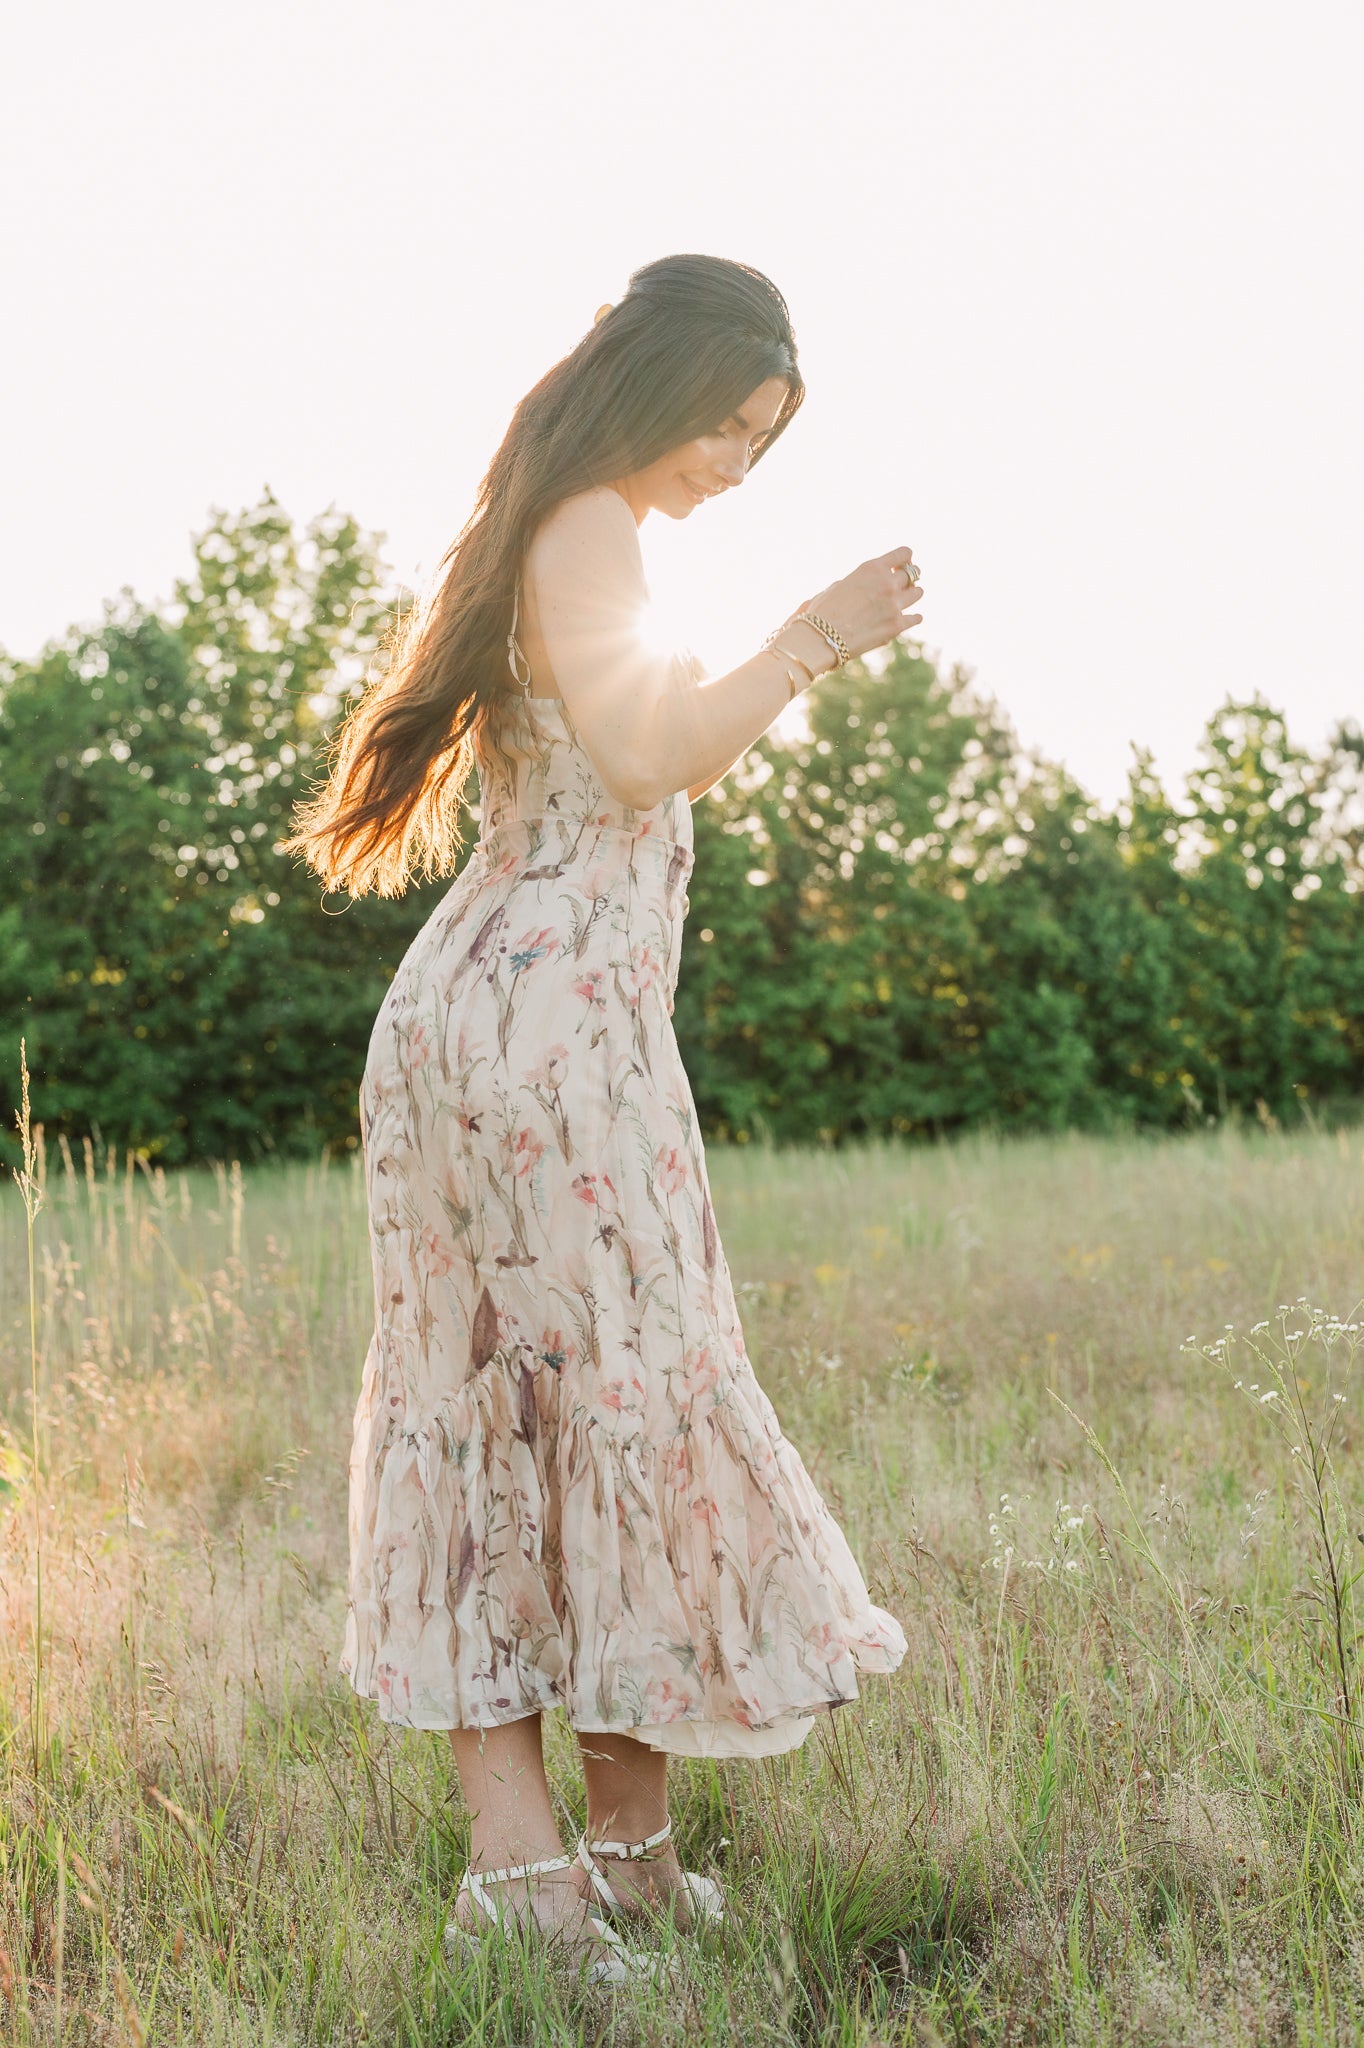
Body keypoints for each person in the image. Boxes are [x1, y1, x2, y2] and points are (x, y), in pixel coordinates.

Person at [284, 252, 920, 1981]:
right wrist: (813, 636)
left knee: (562, 1409)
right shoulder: (585, 533)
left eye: (762, 443)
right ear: (655, 387)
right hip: (535, 1039)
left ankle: (624, 1866)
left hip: (530, 1025)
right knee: (541, 1408)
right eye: (726, 424)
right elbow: (642, 757)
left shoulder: (578, 532)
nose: (735, 464)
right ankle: (526, 1887)